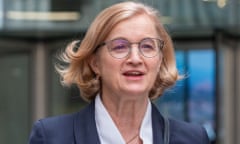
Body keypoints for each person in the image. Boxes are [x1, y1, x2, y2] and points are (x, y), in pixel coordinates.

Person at [28, 1, 209, 144]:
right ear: (95, 63)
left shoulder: (193, 139)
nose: (136, 59)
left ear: (160, 60)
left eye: (147, 46)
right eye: (120, 47)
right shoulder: (52, 137)